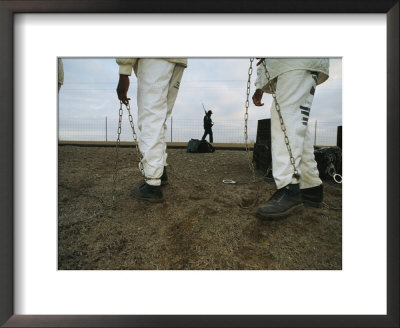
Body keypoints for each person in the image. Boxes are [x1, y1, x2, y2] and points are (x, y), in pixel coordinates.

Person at [252, 58, 329, 220]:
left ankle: (289, 186)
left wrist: (260, 85)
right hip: (290, 62)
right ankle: (310, 187)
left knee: (285, 115)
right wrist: (260, 85)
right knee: (296, 120)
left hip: (296, 58)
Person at [116, 58, 187, 203]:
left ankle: (152, 184)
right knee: (159, 118)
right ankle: (159, 172)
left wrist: (124, 72)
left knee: (151, 118)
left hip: (155, 58)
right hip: (178, 58)